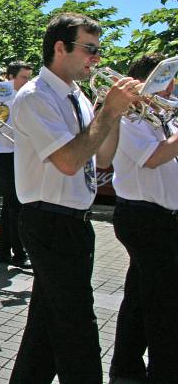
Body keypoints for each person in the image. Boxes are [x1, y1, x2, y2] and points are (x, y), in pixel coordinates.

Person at [9, 13, 142, 384]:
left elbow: (100, 158)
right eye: (89, 49)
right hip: (48, 219)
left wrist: (116, 117)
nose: (96, 59)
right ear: (59, 47)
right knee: (78, 328)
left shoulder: (77, 97)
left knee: (46, 328)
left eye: (97, 50)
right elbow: (67, 161)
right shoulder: (36, 96)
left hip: (72, 221)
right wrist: (111, 109)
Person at [107, 53, 178, 383]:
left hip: (163, 217)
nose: (172, 86)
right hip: (143, 217)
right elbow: (154, 158)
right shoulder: (131, 118)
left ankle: (126, 368)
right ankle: (163, 372)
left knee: (139, 297)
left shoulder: (165, 116)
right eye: (165, 80)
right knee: (164, 303)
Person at [0, 61, 33, 268]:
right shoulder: (2, 98)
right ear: (10, 77)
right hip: (7, 156)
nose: (28, 81)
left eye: (29, 77)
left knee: (10, 206)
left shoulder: (21, 98)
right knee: (16, 207)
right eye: (24, 77)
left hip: (17, 155)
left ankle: (3, 251)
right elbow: (0, 127)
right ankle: (19, 253)